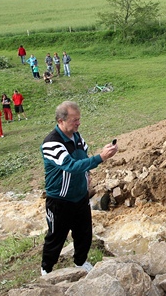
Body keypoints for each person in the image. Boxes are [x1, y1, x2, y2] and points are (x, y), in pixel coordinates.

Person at [40, 101, 118, 275]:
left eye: (79, 119)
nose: (78, 123)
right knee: (56, 237)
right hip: (60, 199)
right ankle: (46, 269)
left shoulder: (76, 136)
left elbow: (83, 157)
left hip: (80, 196)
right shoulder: (51, 143)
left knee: (84, 234)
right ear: (61, 120)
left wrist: (90, 170)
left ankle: (80, 262)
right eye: (75, 120)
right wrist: (101, 157)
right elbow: (71, 165)